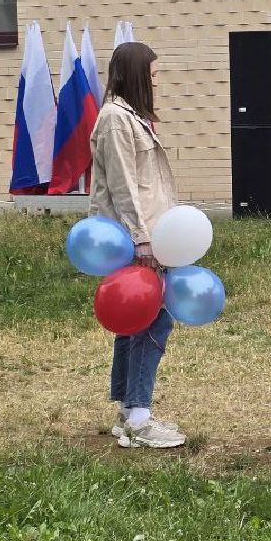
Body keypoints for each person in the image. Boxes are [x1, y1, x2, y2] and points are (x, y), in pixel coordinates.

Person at [89, 40, 185, 450]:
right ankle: (139, 417)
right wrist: (142, 240)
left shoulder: (131, 116)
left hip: (150, 235)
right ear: (136, 76)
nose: (157, 82)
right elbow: (123, 186)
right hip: (136, 238)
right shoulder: (115, 120)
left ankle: (128, 410)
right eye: (153, 74)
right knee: (152, 321)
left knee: (135, 321)